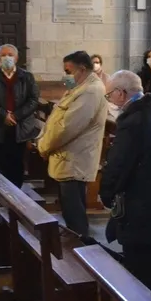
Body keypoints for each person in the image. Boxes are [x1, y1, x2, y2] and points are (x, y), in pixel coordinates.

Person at [100, 71, 151, 301]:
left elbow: (119, 164)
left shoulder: (133, 121)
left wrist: (106, 194)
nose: (110, 100)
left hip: (142, 210)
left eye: (110, 95)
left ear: (120, 93)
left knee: (140, 278)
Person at [38, 51, 108, 239]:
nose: (66, 75)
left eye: (68, 71)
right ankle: (76, 247)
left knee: (75, 213)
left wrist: (44, 146)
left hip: (75, 160)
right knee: (70, 210)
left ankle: (81, 250)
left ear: (82, 69)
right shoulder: (80, 87)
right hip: (68, 158)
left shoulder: (91, 91)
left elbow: (67, 127)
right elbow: (56, 118)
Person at [0, 44, 39, 188]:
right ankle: (1, 192)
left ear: (16, 58)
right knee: (1, 161)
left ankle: (17, 195)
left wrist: (16, 116)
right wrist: (4, 115)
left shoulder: (26, 77)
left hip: (20, 126)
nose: (7, 57)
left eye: (10, 55)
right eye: (3, 55)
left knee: (17, 162)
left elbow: (33, 100)